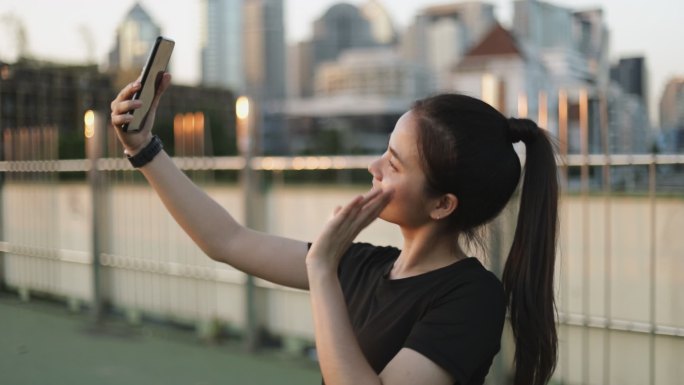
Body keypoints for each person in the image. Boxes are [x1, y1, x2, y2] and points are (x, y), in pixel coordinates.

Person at [110, 73, 559, 385]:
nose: (374, 166)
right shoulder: (367, 265)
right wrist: (144, 149)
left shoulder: (471, 298)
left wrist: (323, 269)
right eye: (385, 150)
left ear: (442, 204)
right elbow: (227, 241)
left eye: (394, 164)